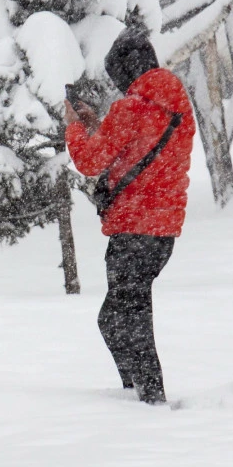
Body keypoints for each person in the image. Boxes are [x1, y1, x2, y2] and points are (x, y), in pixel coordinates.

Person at [64, 29, 195, 405]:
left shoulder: (132, 109)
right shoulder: (178, 109)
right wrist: (95, 126)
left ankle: (149, 401)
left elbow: (90, 162)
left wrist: (73, 126)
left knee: (127, 319)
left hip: (133, 231)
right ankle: (136, 394)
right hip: (161, 233)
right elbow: (134, 151)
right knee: (119, 317)